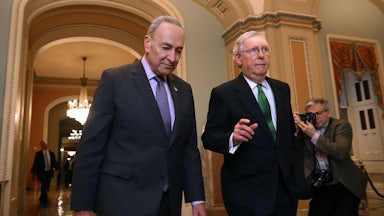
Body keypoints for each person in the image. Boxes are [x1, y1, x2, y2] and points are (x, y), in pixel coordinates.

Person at [70, 16, 207, 216]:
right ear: (147, 43)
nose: (172, 58)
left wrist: (197, 199)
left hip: (169, 204)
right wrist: (83, 205)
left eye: (178, 50)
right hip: (122, 201)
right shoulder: (115, 81)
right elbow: (91, 146)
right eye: (166, 47)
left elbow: (189, 150)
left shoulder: (184, 90)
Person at [201, 31, 305, 215]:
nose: (261, 55)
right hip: (247, 194)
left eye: (265, 49)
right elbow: (209, 137)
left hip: (285, 191)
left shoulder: (282, 89)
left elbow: (287, 136)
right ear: (238, 59)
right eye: (254, 50)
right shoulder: (223, 94)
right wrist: (233, 138)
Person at [294, 98, 367, 216]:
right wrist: (295, 127)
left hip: (345, 183)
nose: (315, 117)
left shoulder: (341, 125)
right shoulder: (305, 130)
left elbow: (340, 152)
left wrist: (314, 135)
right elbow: (295, 151)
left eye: (318, 113)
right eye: (311, 115)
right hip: (322, 185)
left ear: (327, 112)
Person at [31, 140, 59, 207]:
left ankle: (42, 198)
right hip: (42, 173)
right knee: (43, 186)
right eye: (42, 144)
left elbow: (54, 162)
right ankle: (44, 202)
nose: (44, 145)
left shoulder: (51, 153)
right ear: (41, 146)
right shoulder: (38, 154)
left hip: (49, 173)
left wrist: (57, 169)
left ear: (47, 145)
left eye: (44, 144)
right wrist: (34, 174)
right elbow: (36, 164)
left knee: (46, 187)